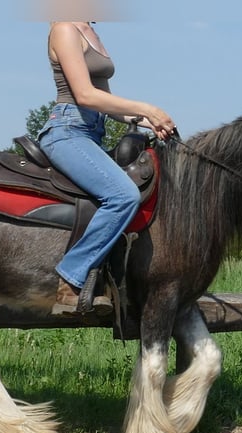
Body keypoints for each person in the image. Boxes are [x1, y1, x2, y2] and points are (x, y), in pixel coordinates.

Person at [37, 21, 176, 316]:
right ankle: (70, 279)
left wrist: (151, 123)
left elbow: (106, 103)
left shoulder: (92, 33)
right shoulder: (64, 28)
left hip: (92, 133)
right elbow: (85, 96)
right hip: (67, 131)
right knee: (123, 195)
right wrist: (146, 108)